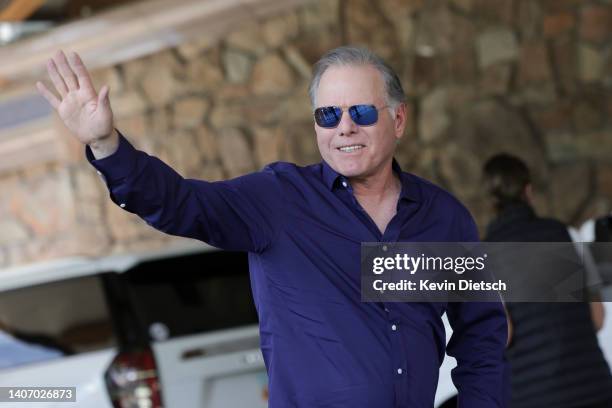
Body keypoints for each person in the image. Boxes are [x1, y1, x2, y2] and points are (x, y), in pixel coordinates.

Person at [37, 46, 507, 407]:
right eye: (328, 115)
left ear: (398, 119)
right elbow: (180, 204)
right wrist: (106, 144)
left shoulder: (443, 218)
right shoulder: (278, 200)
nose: (344, 127)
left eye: (361, 112)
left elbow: (482, 332)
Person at [482, 153, 612, 408]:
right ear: (528, 191)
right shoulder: (568, 235)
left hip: (534, 396)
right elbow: (597, 316)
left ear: (492, 202)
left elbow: (502, 334)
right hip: (594, 387)